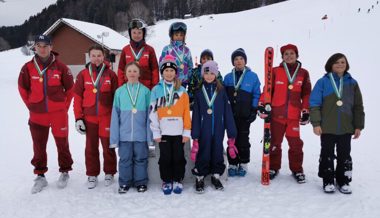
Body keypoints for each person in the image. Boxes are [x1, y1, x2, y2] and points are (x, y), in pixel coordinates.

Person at [18, 34, 74, 194]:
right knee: (39, 146)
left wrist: (63, 107)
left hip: (58, 114)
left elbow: (70, 89)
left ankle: (65, 171)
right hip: (37, 115)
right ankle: (40, 176)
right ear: (34, 47)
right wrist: (31, 104)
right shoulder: (27, 68)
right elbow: (22, 88)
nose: (42, 49)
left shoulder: (61, 67)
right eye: (39, 46)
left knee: (62, 144)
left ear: (51, 47)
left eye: (45, 46)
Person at [310, 53, 364, 194]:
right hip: (327, 127)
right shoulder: (323, 82)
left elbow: (358, 106)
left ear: (346, 64)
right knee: (327, 153)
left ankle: (343, 180)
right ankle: (328, 180)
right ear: (330, 65)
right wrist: (316, 123)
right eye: (336, 62)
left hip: (346, 127)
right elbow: (314, 104)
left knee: (344, 154)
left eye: (342, 62)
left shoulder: (352, 83)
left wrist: (358, 125)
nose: (340, 64)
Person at [258, 44, 311, 183]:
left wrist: (306, 110)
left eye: (292, 53)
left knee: (296, 144)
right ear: (282, 57)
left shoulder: (303, 73)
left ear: (297, 55)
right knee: (275, 143)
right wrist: (262, 104)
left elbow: (306, 94)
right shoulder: (275, 71)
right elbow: (267, 90)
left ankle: (297, 169)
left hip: (293, 116)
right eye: (286, 54)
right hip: (277, 115)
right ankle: (274, 167)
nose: (289, 56)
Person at [73, 45, 118, 189]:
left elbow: (117, 98)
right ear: (89, 57)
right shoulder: (83, 74)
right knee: (91, 147)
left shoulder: (111, 75)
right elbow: (77, 97)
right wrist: (78, 118)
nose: (96, 58)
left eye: (99, 55)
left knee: (107, 146)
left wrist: (116, 117)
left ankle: (109, 172)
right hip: (89, 117)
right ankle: (92, 174)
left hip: (106, 116)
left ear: (103, 57)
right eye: (93, 55)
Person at [190, 60, 237, 193]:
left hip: (218, 129)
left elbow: (227, 113)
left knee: (217, 152)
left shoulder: (221, 91)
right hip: (204, 129)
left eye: (212, 73)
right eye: (206, 73)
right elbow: (196, 116)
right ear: (202, 75)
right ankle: (200, 177)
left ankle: (216, 176)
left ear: (216, 74)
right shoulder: (199, 92)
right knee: (203, 152)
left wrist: (231, 134)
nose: (209, 76)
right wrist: (195, 136)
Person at [149, 55, 191, 195]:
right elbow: (152, 112)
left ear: (175, 72)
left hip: (179, 132)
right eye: (166, 70)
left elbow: (186, 112)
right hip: (164, 132)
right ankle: (166, 180)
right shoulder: (156, 90)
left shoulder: (182, 91)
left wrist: (186, 131)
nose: (169, 73)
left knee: (179, 157)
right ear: (162, 72)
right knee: (165, 158)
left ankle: (178, 179)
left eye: (171, 70)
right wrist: (156, 131)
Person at [110, 62, 152, 194]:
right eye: (130, 71)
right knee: (125, 159)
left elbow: (150, 115)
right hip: (124, 135)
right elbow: (115, 117)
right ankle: (124, 182)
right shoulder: (119, 92)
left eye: (135, 71)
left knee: (141, 159)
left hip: (140, 134)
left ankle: (141, 182)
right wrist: (114, 138)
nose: (132, 73)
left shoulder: (146, 91)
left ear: (139, 73)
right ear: (125, 74)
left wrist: (149, 136)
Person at [223, 48, 261, 177]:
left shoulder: (252, 76)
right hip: (231, 115)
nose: (238, 61)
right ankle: (233, 163)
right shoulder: (228, 78)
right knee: (232, 139)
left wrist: (254, 109)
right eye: (236, 59)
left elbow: (257, 94)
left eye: (241, 59)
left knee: (243, 139)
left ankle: (243, 163)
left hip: (245, 115)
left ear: (245, 61)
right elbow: (223, 96)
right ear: (233, 62)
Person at [117, 18, 159, 89]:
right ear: (130, 34)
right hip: (129, 88)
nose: (137, 35)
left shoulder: (150, 50)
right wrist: (122, 88)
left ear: (143, 34)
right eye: (134, 33)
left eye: (139, 32)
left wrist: (154, 88)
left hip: (146, 88)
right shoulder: (125, 50)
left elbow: (155, 70)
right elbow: (121, 70)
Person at [159, 21, 193, 88]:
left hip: (183, 82)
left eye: (181, 35)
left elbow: (190, 66)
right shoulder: (167, 49)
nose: (179, 37)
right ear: (172, 36)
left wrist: (188, 78)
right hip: (170, 81)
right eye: (176, 35)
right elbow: (161, 65)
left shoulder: (187, 50)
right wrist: (164, 77)